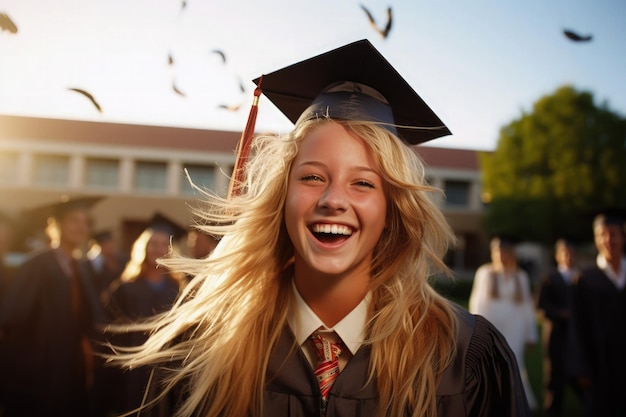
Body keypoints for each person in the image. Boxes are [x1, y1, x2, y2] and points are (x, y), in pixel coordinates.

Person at [110, 39, 530, 417]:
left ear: (392, 209)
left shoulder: (462, 359)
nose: (333, 199)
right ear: (282, 198)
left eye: (363, 182)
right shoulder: (203, 348)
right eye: (312, 177)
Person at [0, 198, 105, 417]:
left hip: (71, 366)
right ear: (56, 225)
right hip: (39, 369)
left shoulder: (82, 269)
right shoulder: (37, 265)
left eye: (85, 222)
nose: (81, 227)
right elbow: (12, 317)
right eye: (74, 221)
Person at [103, 222, 186, 416]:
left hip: (164, 370)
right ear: (144, 247)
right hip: (131, 370)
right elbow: (110, 333)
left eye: (163, 244)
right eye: (153, 243)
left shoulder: (178, 290)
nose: (157, 249)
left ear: (170, 250)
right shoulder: (125, 289)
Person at [469, 237, 538, 411]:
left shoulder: (520, 276)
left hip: (515, 325)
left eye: (504, 252)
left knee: (515, 360)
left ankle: (518, 397)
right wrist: (477, 329)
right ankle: (492, 398)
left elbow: (527, 307)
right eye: (497, 252)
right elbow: (477, 302)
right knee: (492, 360)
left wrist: (531, 334)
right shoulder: (485, 273)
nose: (501, 256)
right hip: (493, 324)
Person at [574, 212, 626, 417]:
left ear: (623, 237)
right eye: (601, 235)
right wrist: (582, 368)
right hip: (598, 366)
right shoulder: (585, 280)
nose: (607, 240)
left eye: (613, 234)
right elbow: (577, 328)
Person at [536, 239, 586, 416]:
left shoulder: (582, 278)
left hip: (577, 336)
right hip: (556, 334)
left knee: (580, 371)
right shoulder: (550, 278)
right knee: (555, 375)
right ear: (557, 256)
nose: (568, 256)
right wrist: (559, 313)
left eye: (571, 252)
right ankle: (553, 409)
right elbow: (541, 306)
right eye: (564, 252)